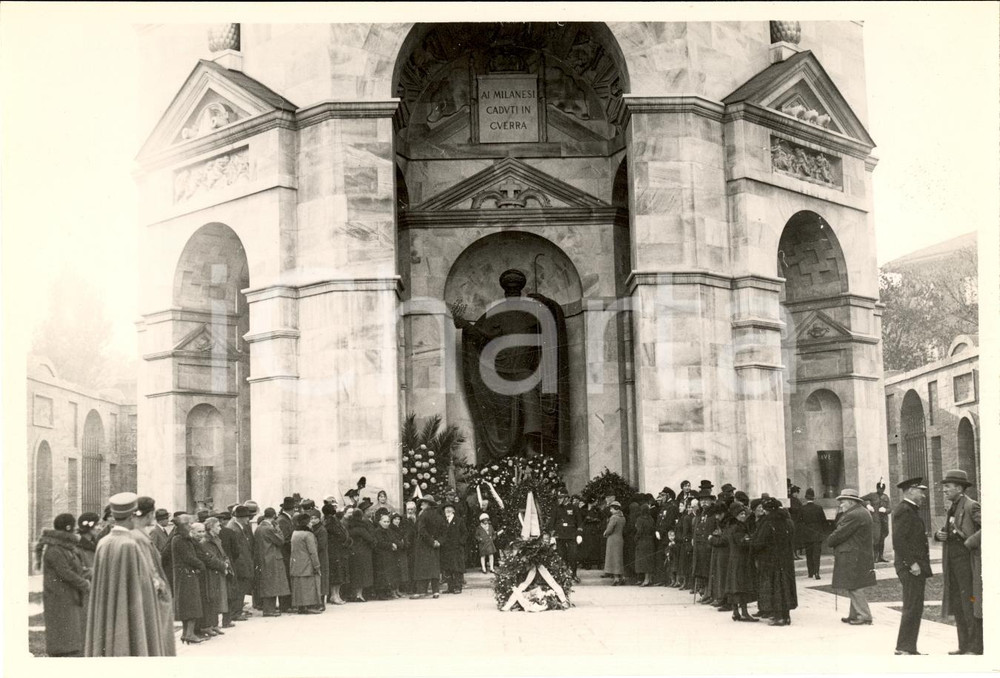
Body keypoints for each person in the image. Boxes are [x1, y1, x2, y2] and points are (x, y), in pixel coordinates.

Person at [85, 492, 175, 656]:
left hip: (110, 606)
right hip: (129, 608)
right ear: (133, 515)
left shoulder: (103, 543)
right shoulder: (129, 545)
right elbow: (141, 584)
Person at [934, 469, 982, 655]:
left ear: (959, 488)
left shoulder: (972, 506)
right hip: (953, 564)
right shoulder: (953, 507)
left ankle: (976, 647)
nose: (944, 490)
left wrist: (969, 542)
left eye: (948, 487)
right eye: (944, 487)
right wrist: (939, 535)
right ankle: (963, 646)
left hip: (968, 564)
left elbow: (991, 527)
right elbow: (949, 531)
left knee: (970, 603)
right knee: (958, 604)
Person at [39, 513, 90, 656]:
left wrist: (89, 572)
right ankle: (61, 653)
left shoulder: (65, 548)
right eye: (73, 527)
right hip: (58, 597)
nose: (75, 530)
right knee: (61, 629)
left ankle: (69, 650)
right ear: (68, 528)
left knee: (70, 629)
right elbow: (65, 573)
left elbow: (75, 569)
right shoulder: (55, 550)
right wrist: (85, 583)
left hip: (67, 596)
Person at [891, 477, 932, 655]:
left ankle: (907, 647)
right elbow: (898, 541)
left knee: (914, 606)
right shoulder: (905, 510)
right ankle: (904, 647)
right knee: (912, 606)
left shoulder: (909, 510)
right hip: (911, 567)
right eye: (920, 491)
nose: (923, 495)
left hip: (913, 566)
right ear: (910, 491)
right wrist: (912, 563)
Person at [827, 488, 876, 626]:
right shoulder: (860, 512)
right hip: (857, 554)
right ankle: (854, 615)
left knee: (854, 585)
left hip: (853, 555)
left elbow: (839, 534)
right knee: (854, 583)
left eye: (842, 502)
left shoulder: (854, 515)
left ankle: (864, 615)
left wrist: (830, 540)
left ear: (850, 502)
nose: (840, 505)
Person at [752, 497, 797, 626]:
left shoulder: (769, 522)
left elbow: (760, 542)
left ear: (768, 510)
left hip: (771, 560)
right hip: (786, 560)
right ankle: (786, 616)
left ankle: (779, 617)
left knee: (776, 588)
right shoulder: (787, 521)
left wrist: (753, 547)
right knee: (785, 588)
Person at [193, 519, 229, 637]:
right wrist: (222, 565)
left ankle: (214, 625)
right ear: (211, 527)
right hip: (210, 573)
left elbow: (221, 554)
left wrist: (225, 563)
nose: (220, 528)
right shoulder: (206, 542)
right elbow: (209, 558)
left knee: (216, 599)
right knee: (211, 598)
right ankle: (208, 625)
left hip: (217, 572)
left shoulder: (215, 539)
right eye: (218, 526)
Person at [254, 508, 290, 617]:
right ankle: (269, 610)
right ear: (274, 516)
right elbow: (281, 540)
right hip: (272, 559)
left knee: (268, 584)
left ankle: (269, 608)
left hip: (263, 558)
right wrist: (278, 528)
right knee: (272, 585)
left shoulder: (259, 528)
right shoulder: (269, 528)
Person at [726, 503, 758, 622]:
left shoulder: (732, 526)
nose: (743, 516)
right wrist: (751, 540)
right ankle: (744, 612)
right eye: (741, 514)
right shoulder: (738, 527)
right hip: (741, 560)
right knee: (742, 586)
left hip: (735, 559)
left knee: (735, 585)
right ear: (735, 516)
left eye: (744, 513)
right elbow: (742, 542)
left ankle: (736, 612)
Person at [222, 505, 254, 622]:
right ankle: (236, 612)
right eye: (246, 517)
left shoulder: (238, 526)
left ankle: (238, 610)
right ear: (240, 517)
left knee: (241, 587)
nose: (248, 519)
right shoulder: (234, 528)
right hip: (240, 563)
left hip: (243, 562)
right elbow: (237, 549)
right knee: (240, 588)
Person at [411, 495, 445, 599]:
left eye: (423, 503)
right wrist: (438, 541)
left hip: (423, 545)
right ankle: (436, 591)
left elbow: (422, 531)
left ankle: (421, 591)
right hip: (435, 545)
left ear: (428, 504)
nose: (421, 504)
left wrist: (430, 541)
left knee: (422, 568)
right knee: (434, 567)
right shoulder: (439, 515)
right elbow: (444, 531)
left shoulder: (423, 515)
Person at [546, 491, 583, 582]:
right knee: (561, 556)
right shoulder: (556, 508)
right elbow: (552, 522)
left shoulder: (574, 508)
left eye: (561, 498)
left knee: (573, 555)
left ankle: (573, 574)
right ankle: (563, 575)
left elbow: (579, 522)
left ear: (566, 498)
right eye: (558, 498)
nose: (559, 500)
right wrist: (552, 535)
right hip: (560, 535)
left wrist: (579, 534)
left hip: (571, 535)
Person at [290, 512, 323, 613]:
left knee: (299, 586)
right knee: (309, 586)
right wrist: (317, 565)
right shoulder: (308, 535)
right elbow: (313, 552)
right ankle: (309, 607)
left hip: (296, 564)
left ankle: (300, 607)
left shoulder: (295, 533)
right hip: (307, 564)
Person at [345, 508, 375, 602]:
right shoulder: (361, 528)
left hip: (352, 552)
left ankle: (354, 594)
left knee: (354, 574)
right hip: (363, 553)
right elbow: (370, 539)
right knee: (362, 575)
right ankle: (359, 595)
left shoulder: (349, 527)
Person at [323, 504, 350, 605]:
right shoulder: (331, 521)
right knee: (337, 573)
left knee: (337, 573)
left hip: (335, 549)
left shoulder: (329, 520)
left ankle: (335, 595)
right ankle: (335, 595)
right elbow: (340, 533)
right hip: (336, 550)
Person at [798, 488, 827, 580]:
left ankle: (810, 572)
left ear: (806, 497)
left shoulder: (802, 508)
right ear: (813, 497)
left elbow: (799, 521)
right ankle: (817, 573)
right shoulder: (819, 508)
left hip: (807, 534)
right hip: (817, 534)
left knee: (809, 554)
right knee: (816, 555)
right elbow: (824, 521)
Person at [440, 503, 467, 594]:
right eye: (446, 509)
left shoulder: (459, 520)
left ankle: (458, 587)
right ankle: (450, 587)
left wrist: (460, 543)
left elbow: (465, 533)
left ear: (453, 511)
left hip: (456, 549)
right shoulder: (443, 521)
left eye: (449, 508)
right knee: (448, 569)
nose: (447, 510)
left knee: (457, 569)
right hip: (446, 549)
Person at [373, 512, 400, 599]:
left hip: (389, 555)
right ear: (380, 522)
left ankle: (389, 591)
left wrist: (395, 544)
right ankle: (381, 593)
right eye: (384, 522)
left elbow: (394, 539)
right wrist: (391, 545)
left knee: (389, 574)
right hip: (381, 555)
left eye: (388, 522)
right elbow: (380, 542)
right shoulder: (378, 531)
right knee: (382, 575)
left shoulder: (389, 531)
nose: (386, 523)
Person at [863, 481, 891, 563]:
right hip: (875, 521)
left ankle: (881, 556)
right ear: (877, 488)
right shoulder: (872, 495)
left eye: (882, 489)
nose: (881, 490)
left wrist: (885, 510)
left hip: (884, 521)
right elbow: (860, 499)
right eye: (879, 488)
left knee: (882, 538)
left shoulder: (886, 497)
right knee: (876, 538)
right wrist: (867, 504)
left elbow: (890, 509)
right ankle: (875, 557)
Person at [634, 496, 657, 587]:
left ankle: (646, 580)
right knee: (649, 561)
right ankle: (649, 579)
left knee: (643, 561)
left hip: (642, 541)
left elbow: (639, 531)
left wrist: (635, 538)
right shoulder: (651, 519)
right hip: (650, 541)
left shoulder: (640, 519)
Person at [603, 501, 626, 585]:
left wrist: (605, 533)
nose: (610, 510)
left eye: (611, 508)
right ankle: (622, 577)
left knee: (613, 559)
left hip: (612, 540)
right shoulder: (623, 517)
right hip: (620, 538)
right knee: (619, 558)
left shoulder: (613, 518)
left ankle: (616, 578)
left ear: (615, 509)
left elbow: (609, 529)